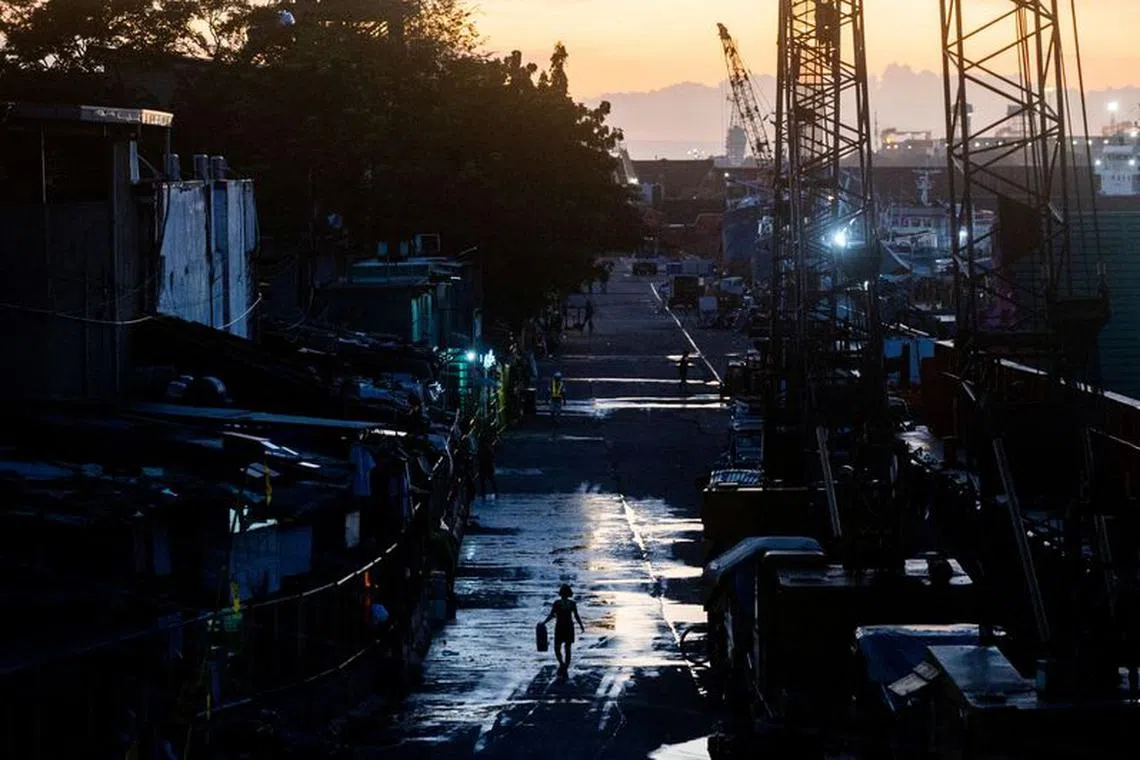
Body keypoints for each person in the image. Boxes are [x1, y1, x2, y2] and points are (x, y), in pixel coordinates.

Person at [542, 584, 585, 678]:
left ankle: (562, 663)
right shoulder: (572, 603)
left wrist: (544, 623)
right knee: (568, 647)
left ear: (560, 593)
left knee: (557, 647)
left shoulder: (557, 603)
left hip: (560, 626)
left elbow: (551, 615)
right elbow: (576, 616)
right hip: (569, 626)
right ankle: (565, 665)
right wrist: (581, 625)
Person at [478, 433, 498, 501]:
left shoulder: (485, 448)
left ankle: (487, 495)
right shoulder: (486, 448)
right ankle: (493, 494)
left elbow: (492, 457)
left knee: (488, 482)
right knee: (488, 482)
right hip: (485, 467)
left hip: (486, 467)